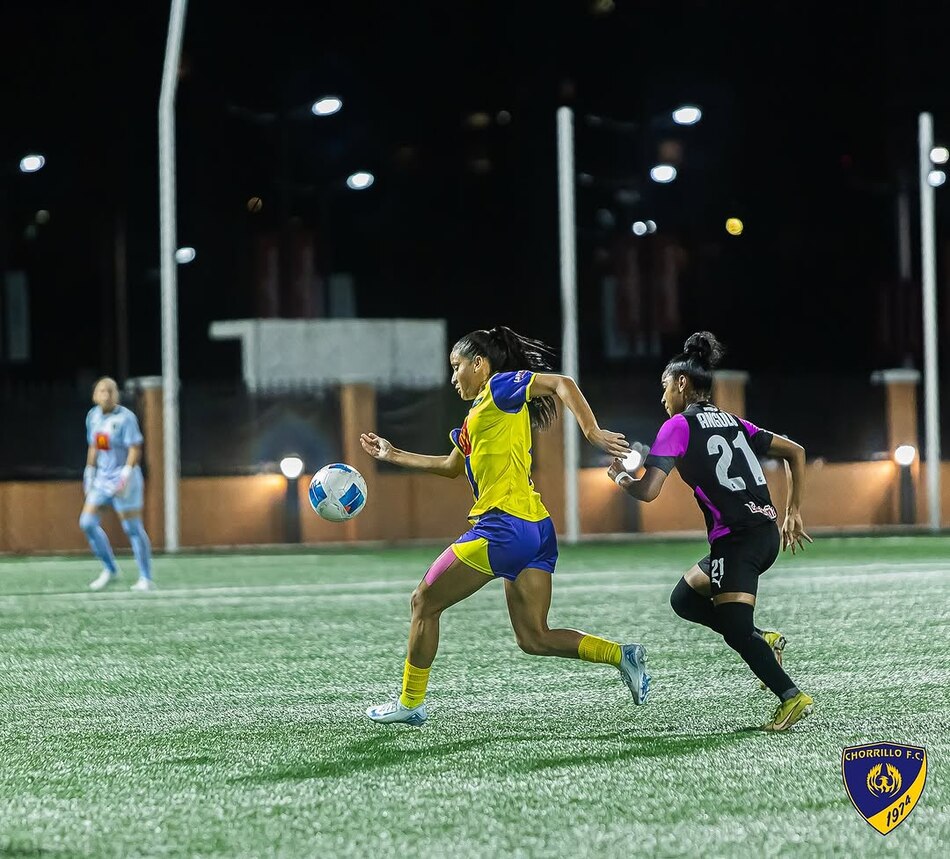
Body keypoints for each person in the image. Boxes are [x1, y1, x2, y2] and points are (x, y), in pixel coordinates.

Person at [360, 325, 650, 726]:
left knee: (423, 602)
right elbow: (450, 468)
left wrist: (592, 431)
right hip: (537, 531)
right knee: (534, 637)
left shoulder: (499, 387)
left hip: (502, 529)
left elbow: (562, 383)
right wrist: (393, 455)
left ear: (479, 364)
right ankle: (621, 655)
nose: (452, 377)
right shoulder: (476, 416)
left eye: (456, 366)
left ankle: (410, 703)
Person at [608, 331, 813, 732]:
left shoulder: (677, 426)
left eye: (664, 387)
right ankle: (763, 640)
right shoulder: (733, 421)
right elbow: (796, 452)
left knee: (735, 629)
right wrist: (794, 513)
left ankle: (791, 697)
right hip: (763, 532)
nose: (663, 397)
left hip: (738, 541)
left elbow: (649, 491)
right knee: (685, 598)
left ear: (682, 383)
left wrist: (620, 479)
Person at [80, 377, 155, 592]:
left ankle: (145, 577)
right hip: (102, 479)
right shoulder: (92, 417)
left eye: (111, 391)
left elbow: (134, 447)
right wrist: (90, 471)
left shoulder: (125, 418)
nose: (107, 395)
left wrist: (127, 472)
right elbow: (94, 446)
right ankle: (110, 569)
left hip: (124, 478)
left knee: (132, 527)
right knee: (87, 522)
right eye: (103, 391)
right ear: (95, 395)